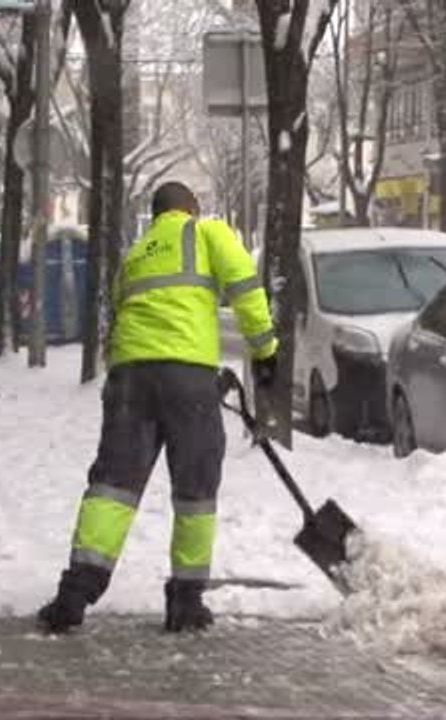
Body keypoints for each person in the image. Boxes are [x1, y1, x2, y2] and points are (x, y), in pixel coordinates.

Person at [37, 181, 278, 634]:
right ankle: (185, 603)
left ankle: (74, 593)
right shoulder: (207, 233)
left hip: (130, 378)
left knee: (113, 485)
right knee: (195, 488)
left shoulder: (137, 252)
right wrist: (264, 354)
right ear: (192, 208)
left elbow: (126, 315)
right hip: (188, 379)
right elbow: (246, 288)